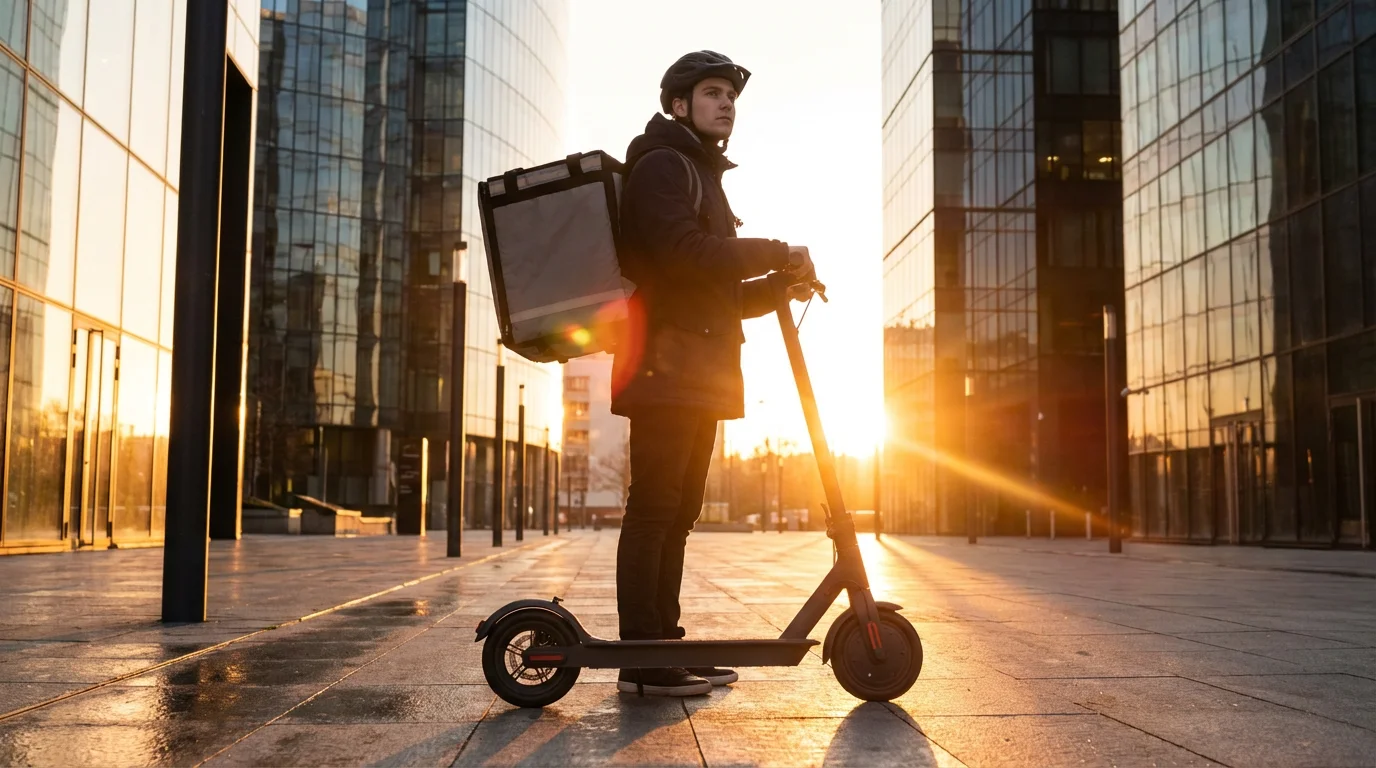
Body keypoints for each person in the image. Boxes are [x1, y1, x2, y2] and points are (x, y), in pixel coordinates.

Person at [610, 50, 816, 697]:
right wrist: (777, 251)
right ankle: (643, 658)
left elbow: (716, 289)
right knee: (654, 509)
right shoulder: (663, 165)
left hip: (696, 368)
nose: (726, 104)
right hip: (665, 366)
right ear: (679, 103)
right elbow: (684, 255)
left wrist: (779, 284)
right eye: (712, 92)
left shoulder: (699, 173)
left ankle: (662, 643)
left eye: (731, 95)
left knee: (680, 512)